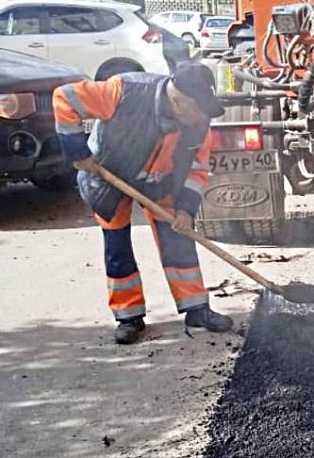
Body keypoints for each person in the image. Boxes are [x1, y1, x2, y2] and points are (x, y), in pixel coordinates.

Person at [53, 61, 234, 345]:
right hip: (109, 178)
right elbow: (65, 96)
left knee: (179, 240)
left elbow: (198, 169)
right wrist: (77, 150)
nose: (203, 116)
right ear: (179, 100)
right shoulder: (124, 91)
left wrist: (186, 208)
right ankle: (129, 316)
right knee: (117, 246)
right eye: (198, 108)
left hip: (159, 182)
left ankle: (196, 308)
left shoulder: (198, 123)